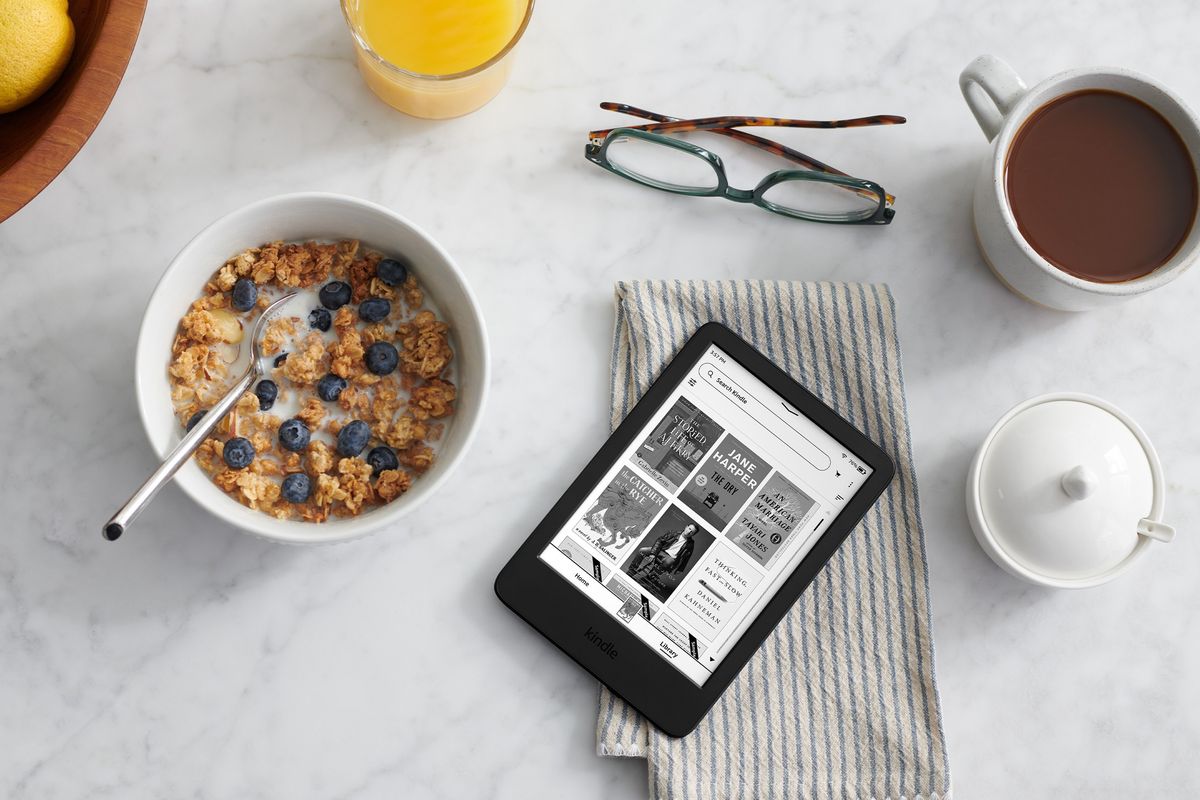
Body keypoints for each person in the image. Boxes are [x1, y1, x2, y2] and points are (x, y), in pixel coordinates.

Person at [628, 523, 698, 581]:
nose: (689, 532)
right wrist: (653, 553)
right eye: (689, 529)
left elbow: (686, 558)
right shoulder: (674, 533)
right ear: (686, 527)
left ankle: (649, 577)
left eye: (692, 532)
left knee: (668, 562)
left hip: (671, 558)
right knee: (642, 550)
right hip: (661, 550)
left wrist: (680, 569)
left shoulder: (690, 544)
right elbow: (660, 541)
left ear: (693, 535)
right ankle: (632, 570)